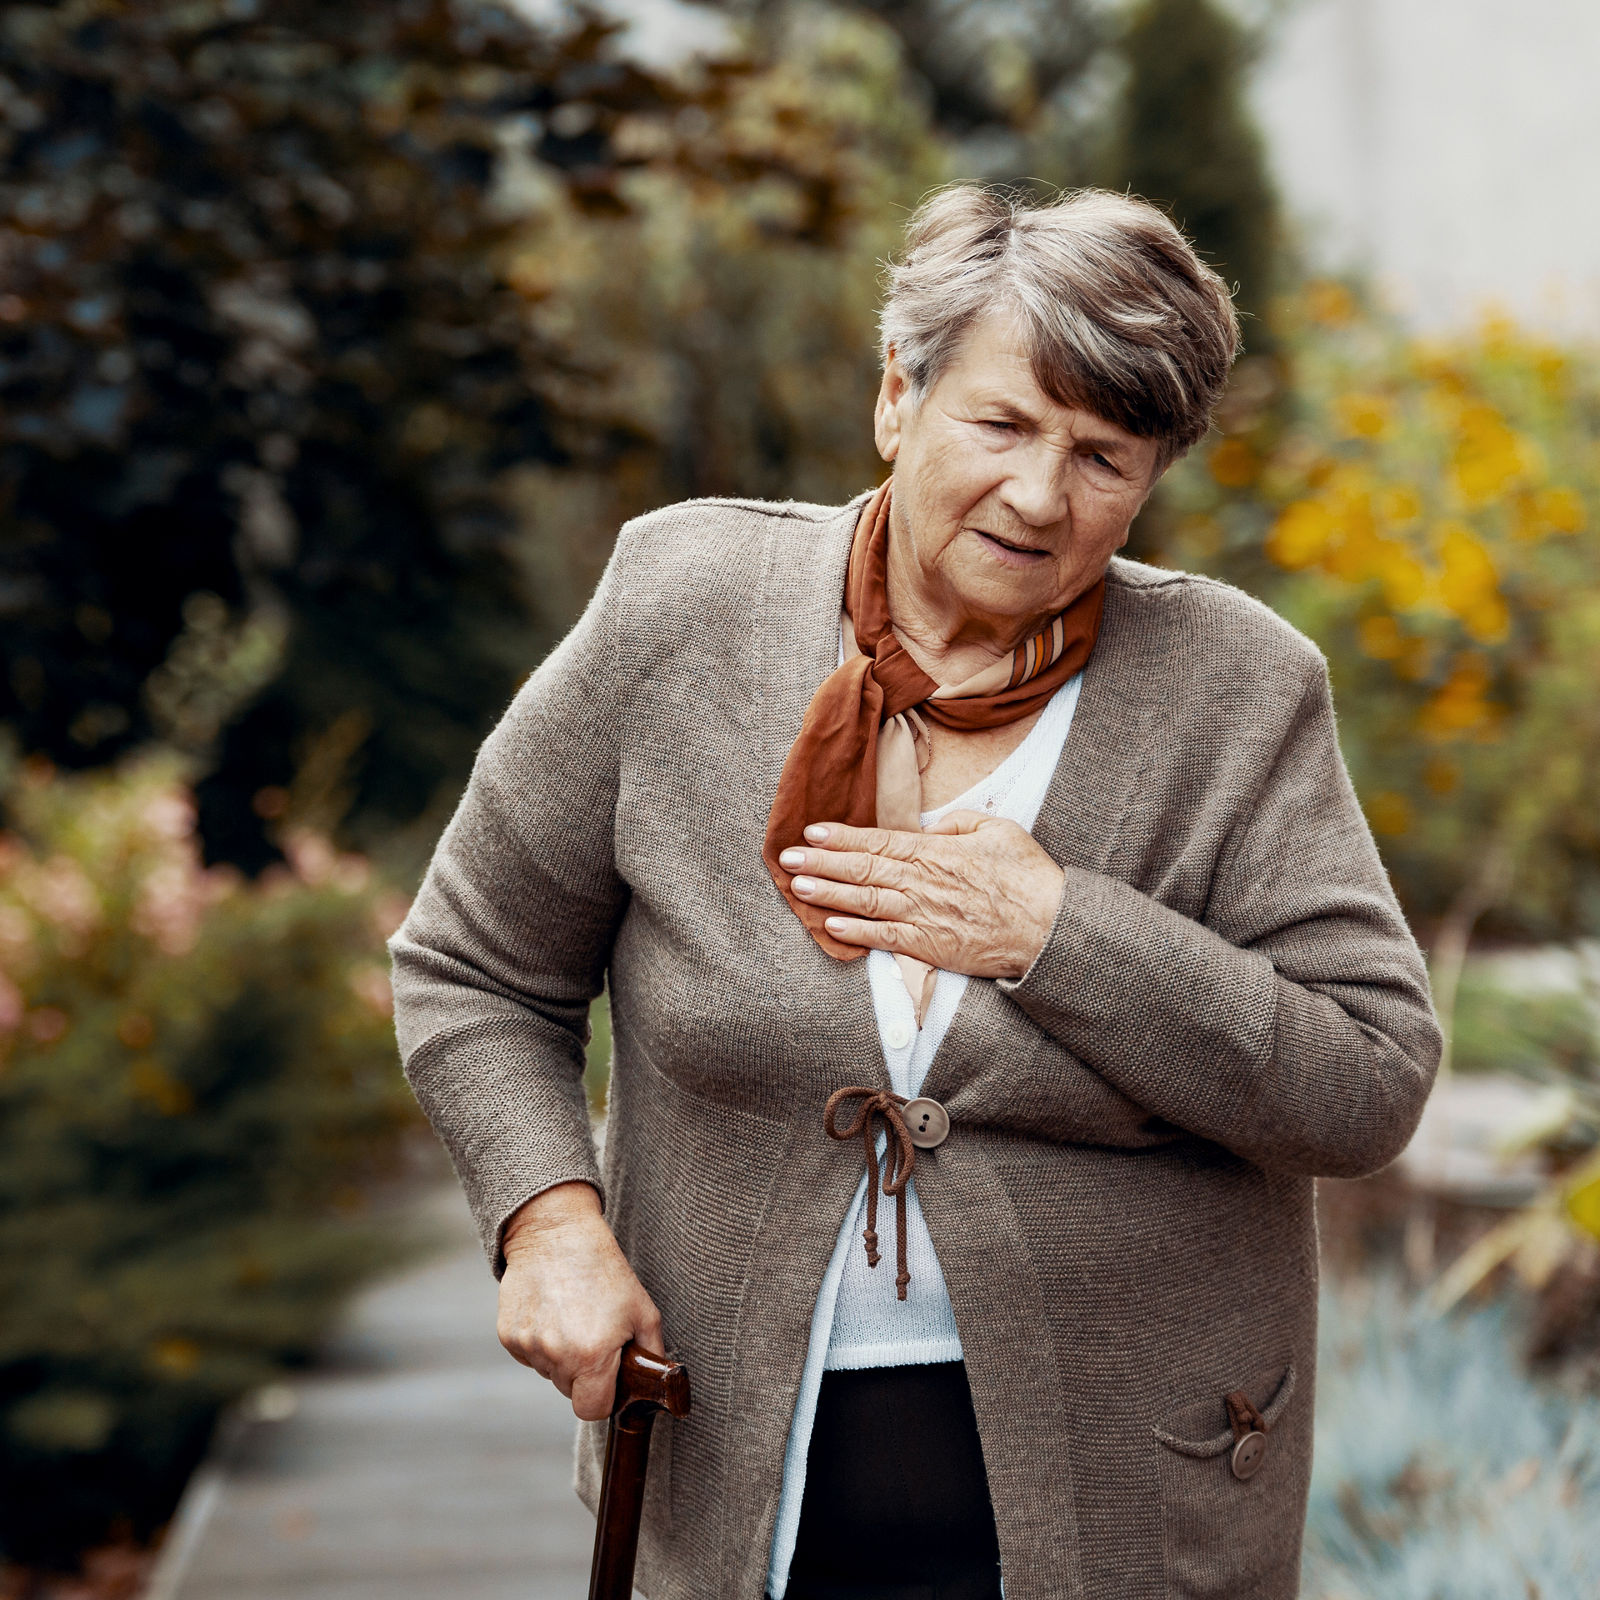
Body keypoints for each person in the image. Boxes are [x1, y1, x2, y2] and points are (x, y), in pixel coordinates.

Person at [389, 185, 1441, 1600]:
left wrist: (1057, 934)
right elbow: (476, 965)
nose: (1040, 496)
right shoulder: (683, 607)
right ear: (899, 394)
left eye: (1103, 456)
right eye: (1002, 424)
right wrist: (548, 1220)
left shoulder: (1240, 691)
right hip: (723, 1483)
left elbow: (1367, 1079)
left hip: (1136, 1502)